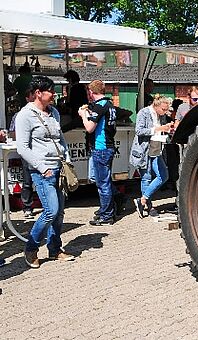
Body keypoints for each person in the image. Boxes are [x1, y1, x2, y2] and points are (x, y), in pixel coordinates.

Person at [15, 75, 75, 268]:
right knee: (51, 211)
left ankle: (55, 249)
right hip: (42, 171)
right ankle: (31, 248)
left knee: (59, 213)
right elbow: (22, 148)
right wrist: (43, 168)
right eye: (51, 91)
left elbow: (59, 139)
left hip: (59, 168)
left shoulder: (54, 112)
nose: (54, 95)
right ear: (38, 93)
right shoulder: (25, 115)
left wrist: (66, 158)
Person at [78, 80, 119, 226]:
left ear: (91, 91)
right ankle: (109, 207)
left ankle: (107, 215)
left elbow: (89, 127)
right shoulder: (109, 105)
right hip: (108, 146)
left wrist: (83, 114)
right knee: (101, 180)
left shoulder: (100, 105)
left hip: (101, 148)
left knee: (103, 184)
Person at [130, 94, 172, 218]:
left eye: (166, 110)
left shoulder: (161, 116)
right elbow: (139, 130)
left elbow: (161, 131)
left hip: (156, 149)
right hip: (144, 150)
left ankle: (142, 200)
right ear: (156, 105)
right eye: (163, 109)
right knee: (146, 177)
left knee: (163, 175)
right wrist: (157, 129)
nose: (164, 112)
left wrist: (167, 130)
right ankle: (148, 205)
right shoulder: (144, 113)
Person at [9, 90, 37, 218]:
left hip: (40, 150)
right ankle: (27, 206)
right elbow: (12, 133)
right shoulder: (19, 115)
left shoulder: (46, 112)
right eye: (32, 96)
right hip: (27, 151)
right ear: (27, 98)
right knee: (27, 180)